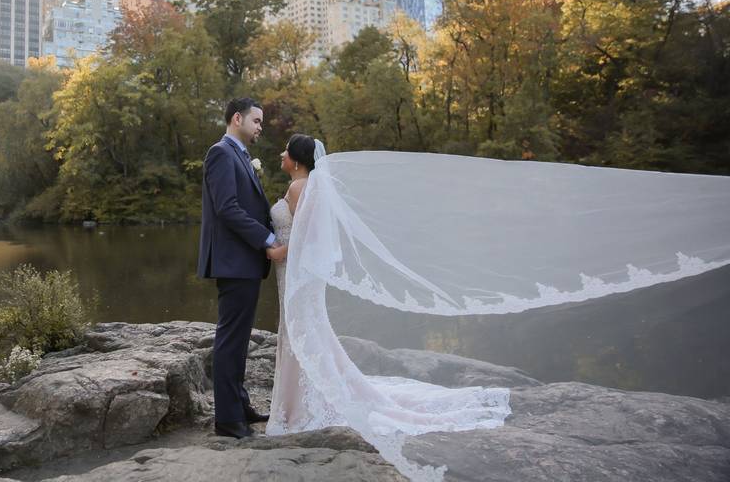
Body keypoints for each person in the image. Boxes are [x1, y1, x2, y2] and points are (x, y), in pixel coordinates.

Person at [259, 139, 730, 479]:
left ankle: (299, 406)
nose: (279, 155)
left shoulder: (302, 189)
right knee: (305, 332)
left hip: (295, 272)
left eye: (284, 151)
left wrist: (276, 253)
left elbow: (302, 239)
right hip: (301, 277)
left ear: (296, 160)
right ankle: (302, 400)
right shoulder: (313, 186)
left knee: (301, 333)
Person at [197, 97, 286, 439]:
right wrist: (267, 239)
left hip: (243, 262)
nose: (261, 127)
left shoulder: (241, 156)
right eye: (257, 120)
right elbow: (227, 209)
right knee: (230, 340)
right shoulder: (220, 152)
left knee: (239, 339)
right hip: (234, 261)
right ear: (238, 118)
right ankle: (227, 419)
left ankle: (240, 405)